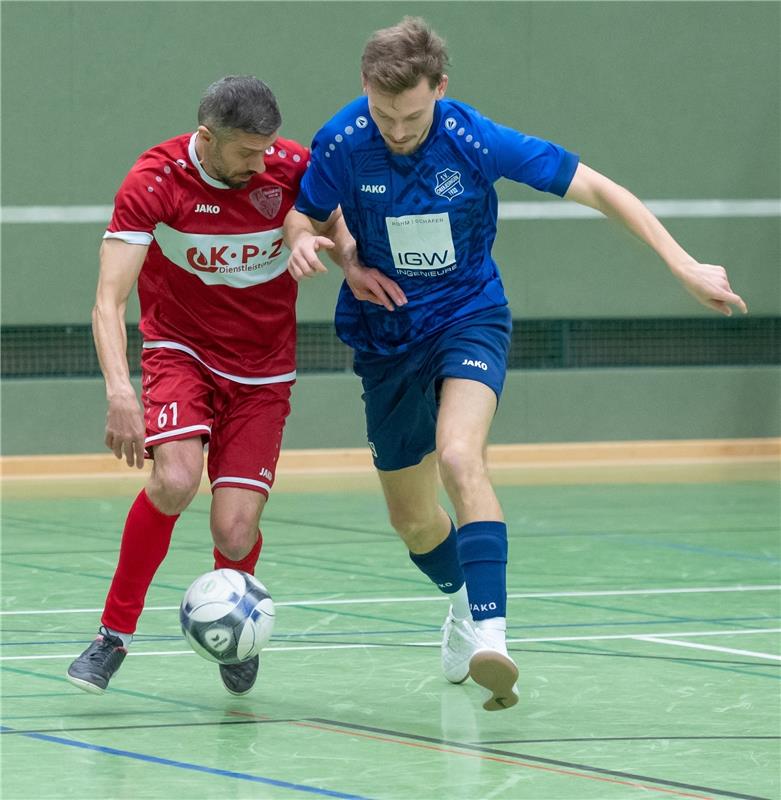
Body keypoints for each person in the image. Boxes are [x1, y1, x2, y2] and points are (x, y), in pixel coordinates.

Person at [284, 17, 747, 712]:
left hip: (468, 313)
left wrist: (681, 265)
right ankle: (463, 601)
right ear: (363, 91)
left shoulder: (474, 139)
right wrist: (337, 257)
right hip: (386, 334)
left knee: (460, 458)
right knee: (412, 523)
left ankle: (491, 637)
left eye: (411, 116)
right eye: (385, 114)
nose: (397, 131)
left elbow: (600, 189)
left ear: (440, 88)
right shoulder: (344, 140)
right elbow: (306, 214)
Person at [66, 76, 311, 696]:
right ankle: (111, 636)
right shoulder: (154, 181)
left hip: (263, 367)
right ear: (207, 137)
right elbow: (107, 298)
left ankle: (237, 622)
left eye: (267, 149)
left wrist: (331, 247)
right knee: (174, 479)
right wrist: (121, 390)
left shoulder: (290, 168)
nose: (261, 163)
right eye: (246, 152)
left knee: (234, 531)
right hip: (182, 350)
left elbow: (339, 224)